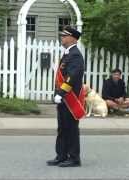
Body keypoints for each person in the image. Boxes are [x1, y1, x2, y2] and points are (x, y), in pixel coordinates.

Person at [46, 26, 85, 167]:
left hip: (70, 98)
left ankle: (74, 158)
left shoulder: (75, 55)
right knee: (62, 128)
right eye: (62, 35)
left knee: (71, 129)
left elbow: (72, 78)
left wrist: (61, 93)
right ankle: (61, 155)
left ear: (73, 38)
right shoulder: (68, 53)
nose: (62, 37)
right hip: (63, 98)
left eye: (64, 35)